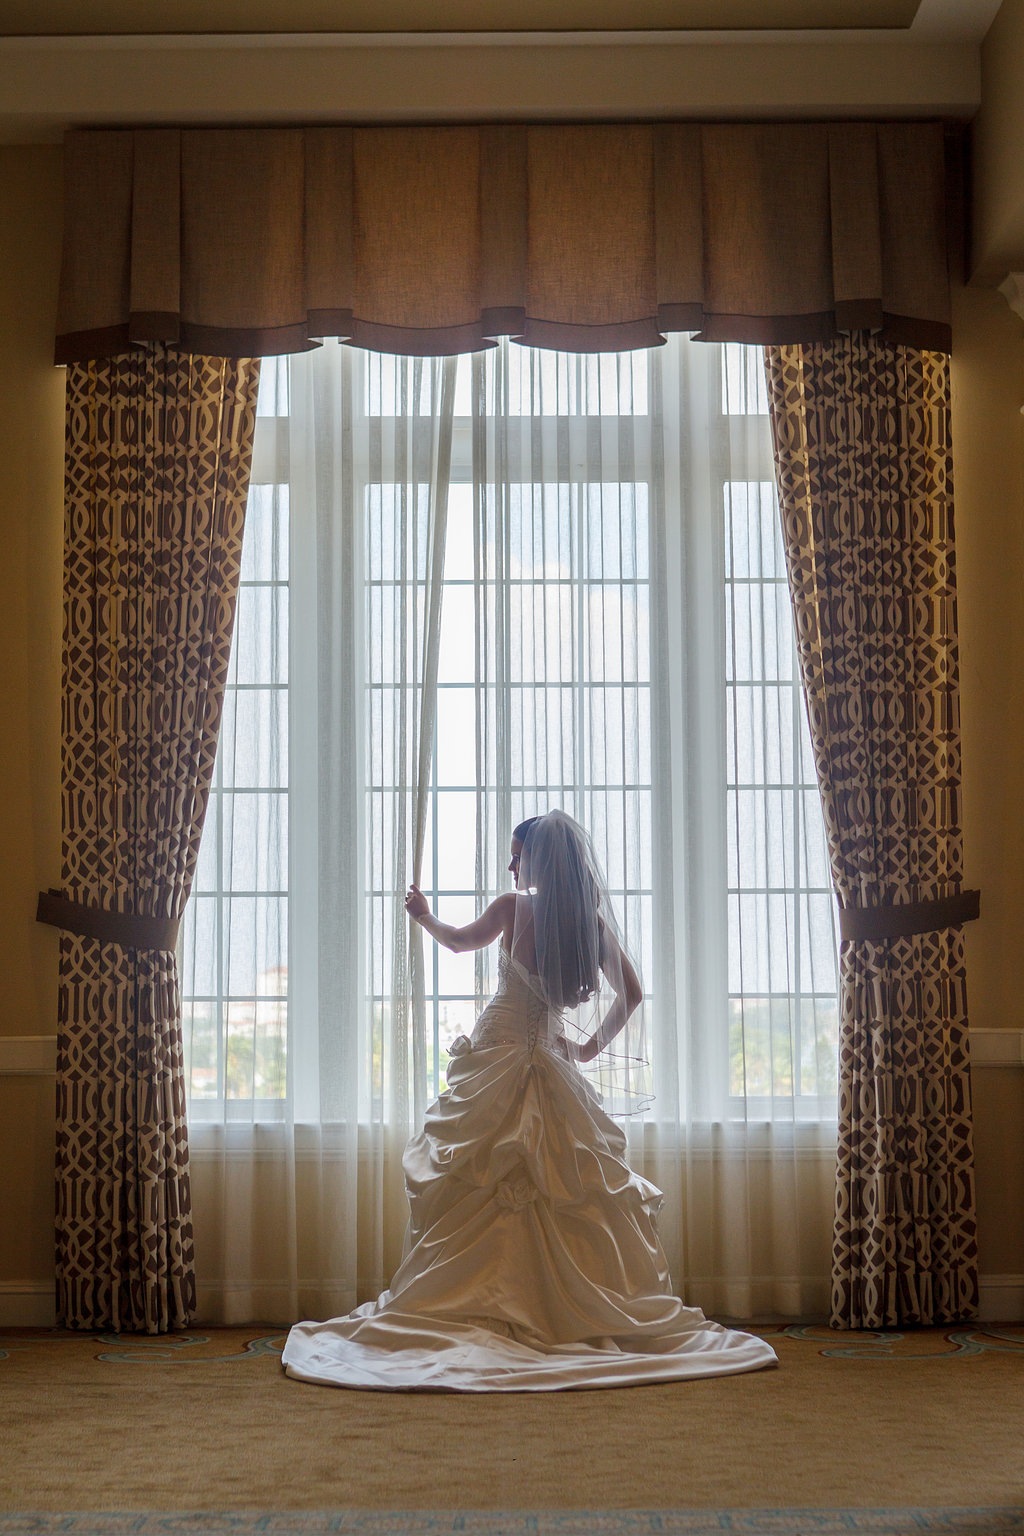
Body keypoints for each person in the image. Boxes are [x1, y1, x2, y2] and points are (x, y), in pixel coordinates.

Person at [282, 811, 777, 1390]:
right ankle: (558, 1309)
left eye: (517, 855)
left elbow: (461, 942)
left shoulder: (515, 908)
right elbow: (633, 993)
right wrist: (589, 1048)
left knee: (477, 1175)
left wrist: (424, 917)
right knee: (567, 1182)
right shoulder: (584, 921)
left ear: (538, 860)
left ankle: (480, 1302)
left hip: (500, 1049)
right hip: (549, 1052)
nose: (511, 865)